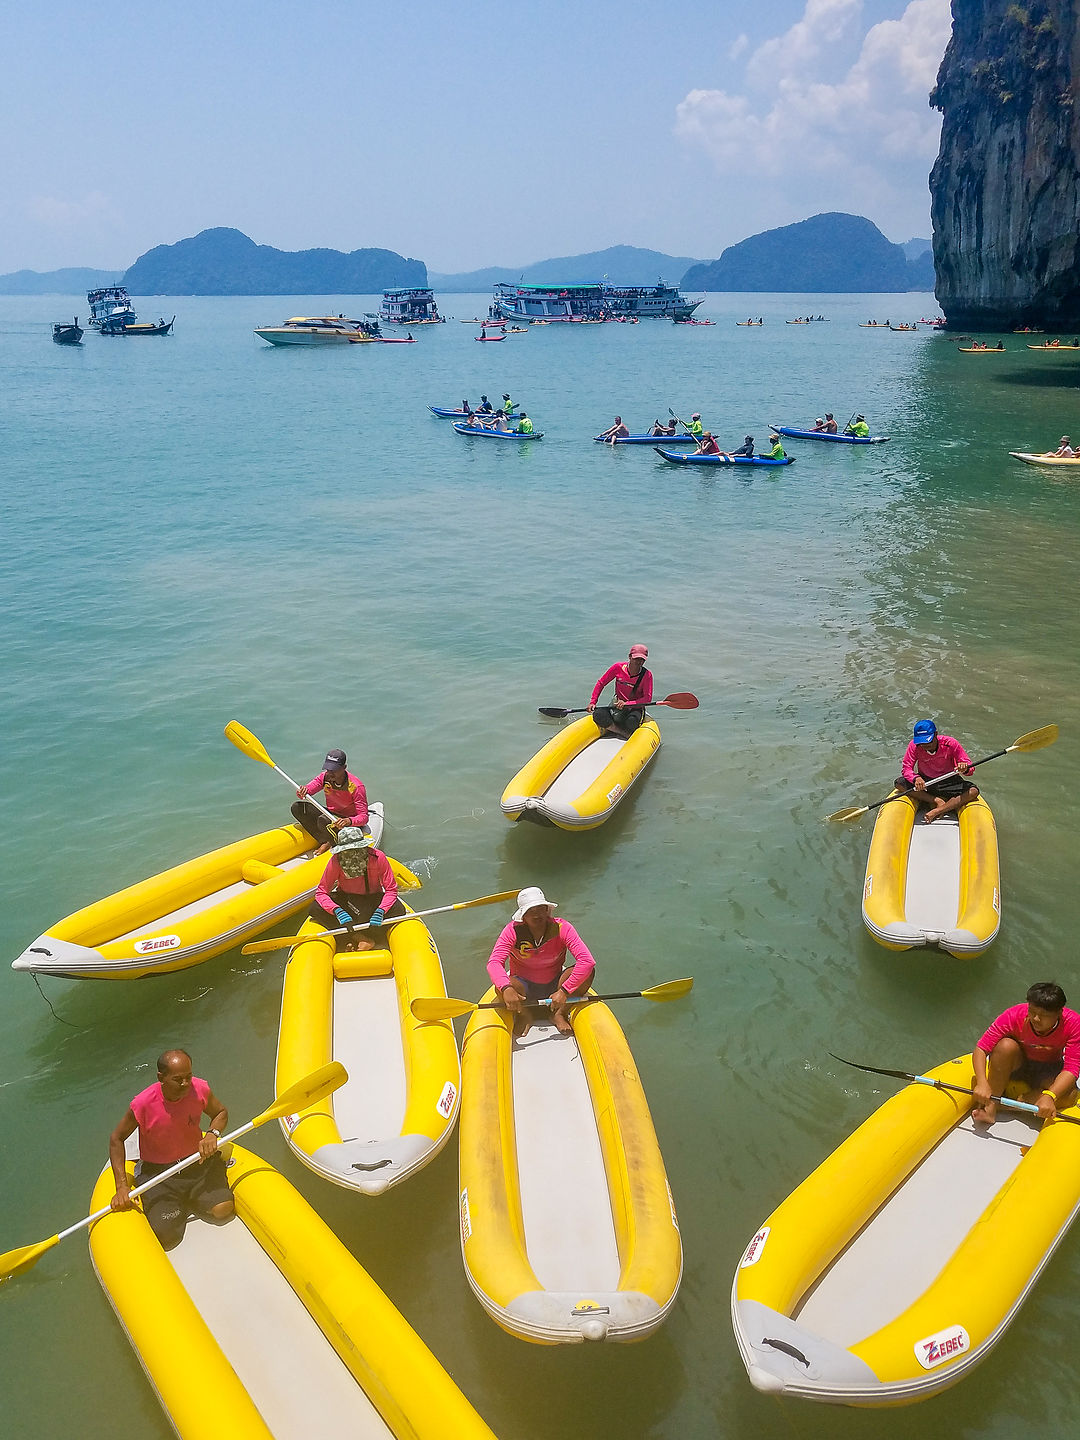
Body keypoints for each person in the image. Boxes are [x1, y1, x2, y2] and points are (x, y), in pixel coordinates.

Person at [108, 1050, 233, 1251]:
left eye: (188, 1076)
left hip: (195, 1164)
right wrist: (121, 1186)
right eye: (177, 1079)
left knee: (223, 1209)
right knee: (167, 1236)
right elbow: (117, 1138)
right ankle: (179, 1204)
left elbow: (220, 1112)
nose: (185, 1083)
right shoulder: (142, 1103)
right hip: (160, 1174)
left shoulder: (199, 1089)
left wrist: (212, 1133)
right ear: (161, 1077)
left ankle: (191, 1199)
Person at [486, 887, 596, 1036]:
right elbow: (494, 962)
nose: (537, 914)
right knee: (500, 986)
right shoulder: (511, 931)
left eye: (540, 909)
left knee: (589, 972)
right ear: (523, 915)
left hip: (556, 985)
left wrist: (564, 991)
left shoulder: (562, 928)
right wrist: (506, 988)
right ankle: (525, 1015)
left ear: (547, 910)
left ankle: (559, 1013)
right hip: (523, 987)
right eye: (531, 911)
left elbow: (587, 961)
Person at [971, 982, 1080, 1125]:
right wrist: (982, 1082)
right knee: (1005, 1046)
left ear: (1059, 1013)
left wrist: (1050, 1095)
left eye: (1044, 1015)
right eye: (1032, 1012)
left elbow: (1072, 1068)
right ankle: (990, 1107)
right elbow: (981, 1048)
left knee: (1070, 1096)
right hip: (1019, 1063)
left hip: (1049, 1068)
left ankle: (1013, 1103)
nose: (1036, 1019)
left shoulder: (1073, 1023)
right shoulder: (1014, 1014)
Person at [312, 827, 406, 951]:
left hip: (372, 901)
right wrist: (337, 910)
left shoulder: (378, 857)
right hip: (348, 901)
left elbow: (391, 890)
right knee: (315, 908)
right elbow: (321, 892)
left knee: (399, 909)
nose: (353, 854)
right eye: (348, 851)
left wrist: (381, 910)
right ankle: (360, 938)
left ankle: (353, 938)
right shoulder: (336, 860)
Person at [895, 718, 978, 823]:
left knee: (973, 791)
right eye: (921, 743)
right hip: (927, 782)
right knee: (899, 783)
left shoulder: (950, 743)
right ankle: (937, 800)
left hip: (949, 780)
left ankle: (938, 810)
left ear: (936, 734)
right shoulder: (914, 746)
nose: (925, 746)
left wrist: (965, 768)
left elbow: (970, 768)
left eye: (928, 741)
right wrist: (916, 778)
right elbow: (906, 768)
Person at [291, 749, 369, 853]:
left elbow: (364, 817)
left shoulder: (356, 787)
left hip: (348, 820)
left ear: (344, 768)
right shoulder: (325, 777)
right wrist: (302, 791)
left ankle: (335, 843)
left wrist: (348, 821)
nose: (330, 773)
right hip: (332, 814)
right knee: (297, 808)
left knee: (323, 820)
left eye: (334, 770)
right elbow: (308, 790)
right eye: (328, 769)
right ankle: (324, 840)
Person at [589, 643, 653, 737]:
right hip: (617, 705)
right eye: (636, 658)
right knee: (598, 714)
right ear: (630, 657)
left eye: (642, 659)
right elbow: (601, 683)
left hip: (635, 708)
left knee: (631, 722)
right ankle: (621, 732)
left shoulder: (647, 675)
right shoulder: (618, 668)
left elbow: (647, 699)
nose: (639, 662)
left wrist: (627, 704)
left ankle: (620, 728)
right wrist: (593, 702)